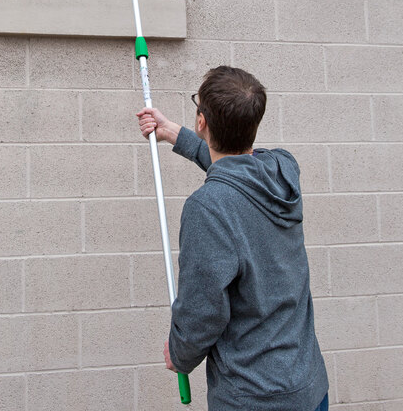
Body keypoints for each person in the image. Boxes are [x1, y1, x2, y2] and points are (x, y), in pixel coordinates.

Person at [136, 66, 329, 411]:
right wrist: (174, 134)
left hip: (253, 399)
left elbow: (203, 311)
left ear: (202, 122)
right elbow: (237, 167)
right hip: (309, 389)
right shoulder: (283, 169)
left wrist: (180, 353)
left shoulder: (207, 208)